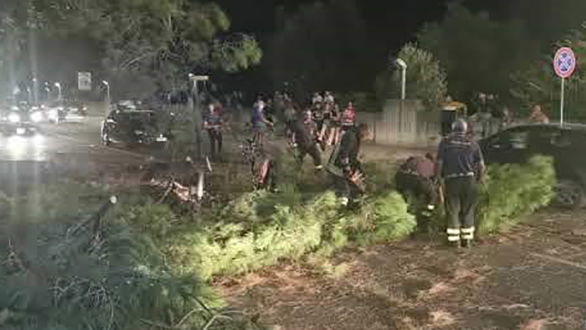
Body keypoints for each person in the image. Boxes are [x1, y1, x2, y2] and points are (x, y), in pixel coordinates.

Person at [436, 119, 485, 248]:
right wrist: (479, 179)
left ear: (453, 129)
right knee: (468, 210)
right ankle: (467, 240)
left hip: (452, 180)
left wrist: (438, 178)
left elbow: (439, 162)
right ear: (465, 129)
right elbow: (481, 165)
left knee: (453, 210)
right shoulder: (473, 143)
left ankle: (454, 241)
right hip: (469, 180)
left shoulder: (445, 142)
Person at [327, 123, 371, 206]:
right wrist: (348, 170)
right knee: (344, 189)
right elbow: (344, 155)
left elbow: (352, 156)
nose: (364, 138)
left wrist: (358, 166)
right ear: (361, 131)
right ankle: (340, 207)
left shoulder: (355, 137)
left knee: (352, 186)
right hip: (336, 166)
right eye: (365, 135)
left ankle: (352, 202)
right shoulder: (351, 137)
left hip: (342, 165)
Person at [396, 153, 438, 232]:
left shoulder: (415, 158)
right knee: (433, 195)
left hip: (403, 179)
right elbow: (434, 180)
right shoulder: (431, 164)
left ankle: (407, 210)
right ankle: (426, 217)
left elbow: (402, 168)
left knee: (409, 195)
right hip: (418, 179)